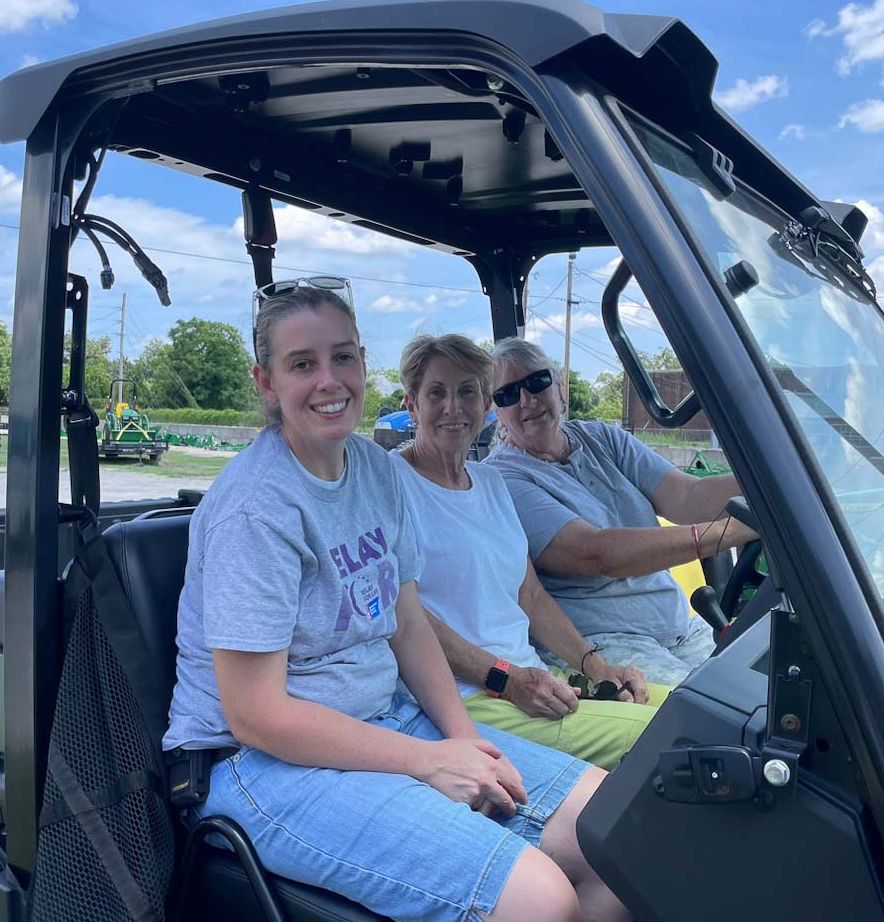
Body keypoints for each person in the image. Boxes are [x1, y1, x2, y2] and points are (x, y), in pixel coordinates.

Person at [163, 288, 630, 922]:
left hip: (387, 718)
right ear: (267, 382)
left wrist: (467, 746)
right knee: (541, 901)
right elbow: (257, 715)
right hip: (261, 764)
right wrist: (430, 760)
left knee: (618, 842)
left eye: (344, 357)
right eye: (302, 364)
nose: (329, 381)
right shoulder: (255, 510)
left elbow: (406, 623)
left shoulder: (374, 470)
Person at [392, 334, 667, 772]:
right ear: (411, 404)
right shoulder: (389, 485)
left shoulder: (491, 484)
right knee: (673, 738)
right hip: (470, 697)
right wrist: (508, 679)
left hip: (532, 678)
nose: (453, 407)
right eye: (436, 393)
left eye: (468, 392)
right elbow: (404, 617)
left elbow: (531, 597)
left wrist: (597, 667)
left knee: (691, 705)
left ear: (485, 406)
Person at [486, 337, 757, 688]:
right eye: (508, 394)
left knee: (761, 687)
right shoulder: (503, 478)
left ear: (558, 385)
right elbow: (596, 553)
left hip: (679, 626)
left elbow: (688, 495)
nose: (526, 399)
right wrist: (734, 531)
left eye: (537, 382)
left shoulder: (602, 438)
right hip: (604, 642)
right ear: (497, 410)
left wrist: (766, 482)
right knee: (721, 711)